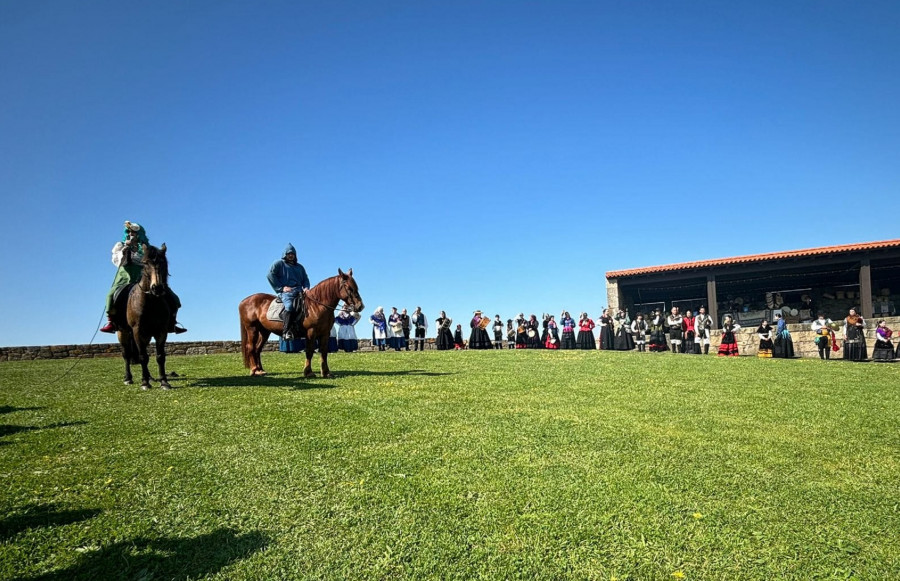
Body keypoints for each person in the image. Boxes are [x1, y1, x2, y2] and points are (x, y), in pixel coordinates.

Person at [100, 221, 186, 334]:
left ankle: (172, 322)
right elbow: (118, 263)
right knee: (111, 296)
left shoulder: (147, 249)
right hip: (125, 277)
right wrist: (125, 249)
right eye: (129, 232)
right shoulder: (120, 246)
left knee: (174, 298)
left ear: (139, 234)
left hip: (145, 278)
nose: (131, 234)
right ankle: (111, 322)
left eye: (134, 232)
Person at [267, 243, 310, 340]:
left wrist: (306, 287)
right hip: (287, 293)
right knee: (289, 307)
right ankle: (286, 331)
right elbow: (270, 275)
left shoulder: (300, 267)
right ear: (285, 254)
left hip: (300, 291)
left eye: (292, 254)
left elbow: (305, 279)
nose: (291, 255)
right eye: (289, 253)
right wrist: (281, 288)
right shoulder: (279, 263)